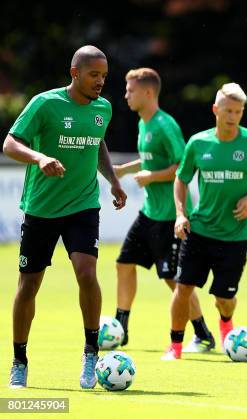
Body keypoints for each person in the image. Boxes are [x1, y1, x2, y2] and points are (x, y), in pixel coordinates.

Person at [3, 45, 127, 389]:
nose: (100, 82)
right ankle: (19, 360)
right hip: (41, 209)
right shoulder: (45, 104)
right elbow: (10, 144)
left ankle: (91, 353)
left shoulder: (104, 107)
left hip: (84, 205)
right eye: (93, 75)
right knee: (28, 286)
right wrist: (39, 157)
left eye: (104, 75)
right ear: (74, 73)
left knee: (87, 273)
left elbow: (96, 141)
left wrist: (113, 180)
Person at [162, 83, 247, 360]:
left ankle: (226, 324)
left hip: (236, 234)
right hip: (200, 229)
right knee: (183, 287)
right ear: (216, 109)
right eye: (228, 110)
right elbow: (181, 179)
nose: (232, 116)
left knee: (224, 299)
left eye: (238, 111)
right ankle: (175, 346)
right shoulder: (199, 143)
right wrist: (180, 213)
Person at [112, 68, 214, 352]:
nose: (126, 95)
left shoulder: (164, 125)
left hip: (171, 217)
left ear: (147, 93)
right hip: (149, 213)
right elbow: (151, 158)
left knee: (173, 280)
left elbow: (182, 167)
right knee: (123, 263)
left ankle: (203, 334)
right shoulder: (144, 123)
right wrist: (125, 169)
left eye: (130, 90)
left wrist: (150, 177)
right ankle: (121, 328)